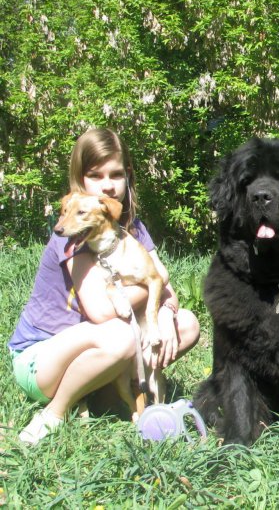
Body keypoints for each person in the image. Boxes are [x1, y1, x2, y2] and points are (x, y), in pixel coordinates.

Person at [8, 128, 200, 444]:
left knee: (188, 324)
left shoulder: (132, 228)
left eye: (116, 174)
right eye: (96, 175)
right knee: (120, 334)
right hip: (42, 358)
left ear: (128, 176)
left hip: (97, 349)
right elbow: (101, 312)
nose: (108, 185)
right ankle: (54, 413)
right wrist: (156, 281)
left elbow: (168, 292)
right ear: (80, 179)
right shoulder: (72, 232)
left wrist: (164, 313)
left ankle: (103, 395)